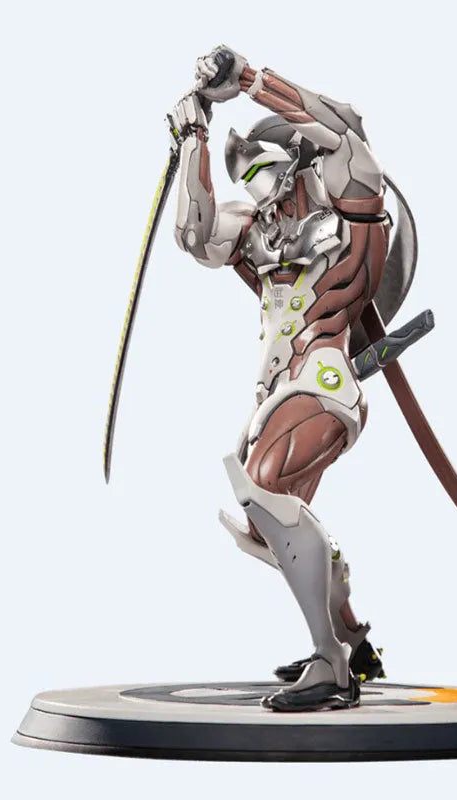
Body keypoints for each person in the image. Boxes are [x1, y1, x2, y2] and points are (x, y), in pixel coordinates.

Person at [170, 46, 388, 711]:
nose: (260, 192)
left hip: (324, 384)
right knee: (269, 524)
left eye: (266, 173)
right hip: (275, 395)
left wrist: (249, 80)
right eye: (247, 179)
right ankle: (353, 640)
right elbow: (193, 233)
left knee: (263, 490)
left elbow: (345, 131)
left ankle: (331, 668)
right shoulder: (258, 237)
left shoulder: (349, 216)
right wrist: (194, 137)